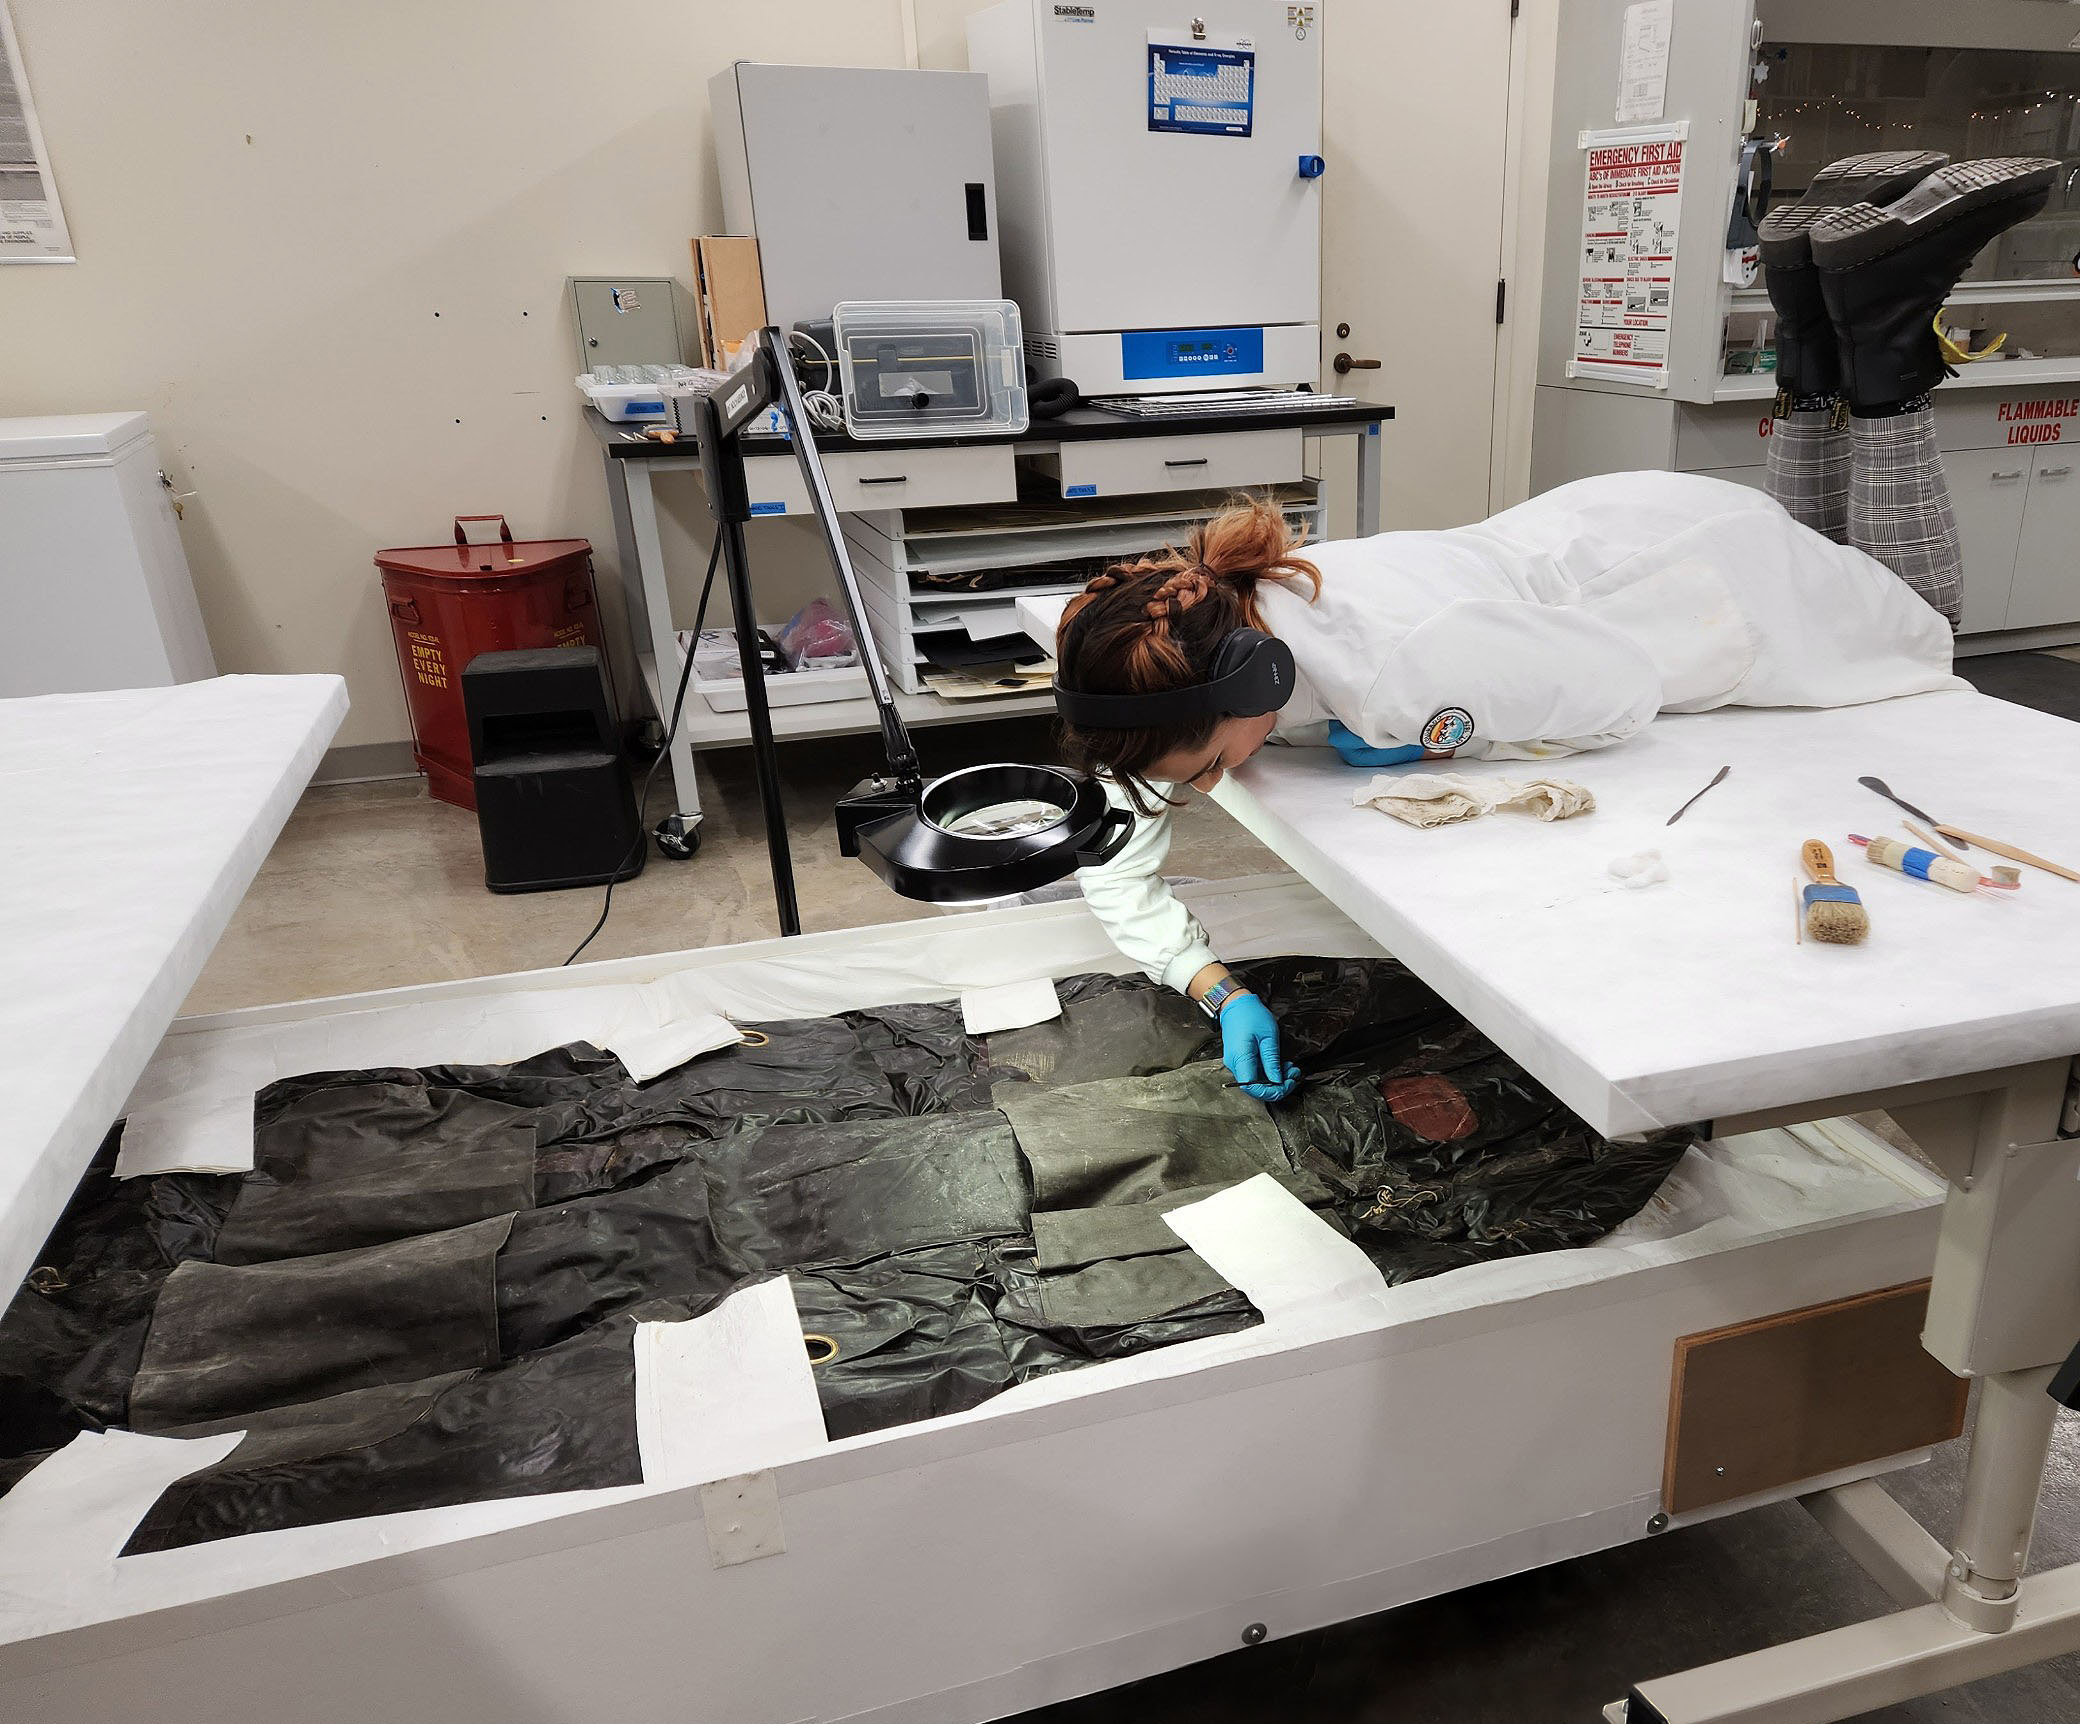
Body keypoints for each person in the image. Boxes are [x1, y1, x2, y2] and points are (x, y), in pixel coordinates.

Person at [1053, 152, 2056, 1103]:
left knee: (1917, 615)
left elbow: (1619, 688)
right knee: (1818, 545)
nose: (1204, 786)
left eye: (1211, 767)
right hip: (1610, 536)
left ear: (1257, 687)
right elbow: (1119, 833)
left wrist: (1447, 734)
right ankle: (1807, 303)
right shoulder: (1189, 629)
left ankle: (1883, 338)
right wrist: (1210, 982)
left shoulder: (1397, 667)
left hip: (1688, 590)